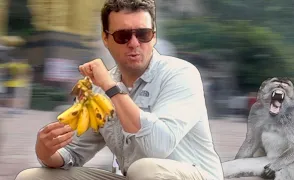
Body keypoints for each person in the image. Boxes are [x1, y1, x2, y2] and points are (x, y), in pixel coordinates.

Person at [15, 0, 224, 179]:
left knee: (145, 169)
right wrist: (45, 151)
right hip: (135, 176)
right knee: (32, 177)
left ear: (154, 36)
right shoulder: (98, 90)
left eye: (143, 34)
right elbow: (73, 153)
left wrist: (111, 88)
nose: (134, 43)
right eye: (123, 36)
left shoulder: (181, 74)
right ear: (106, 39)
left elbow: (158, 146)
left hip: (192, 175)